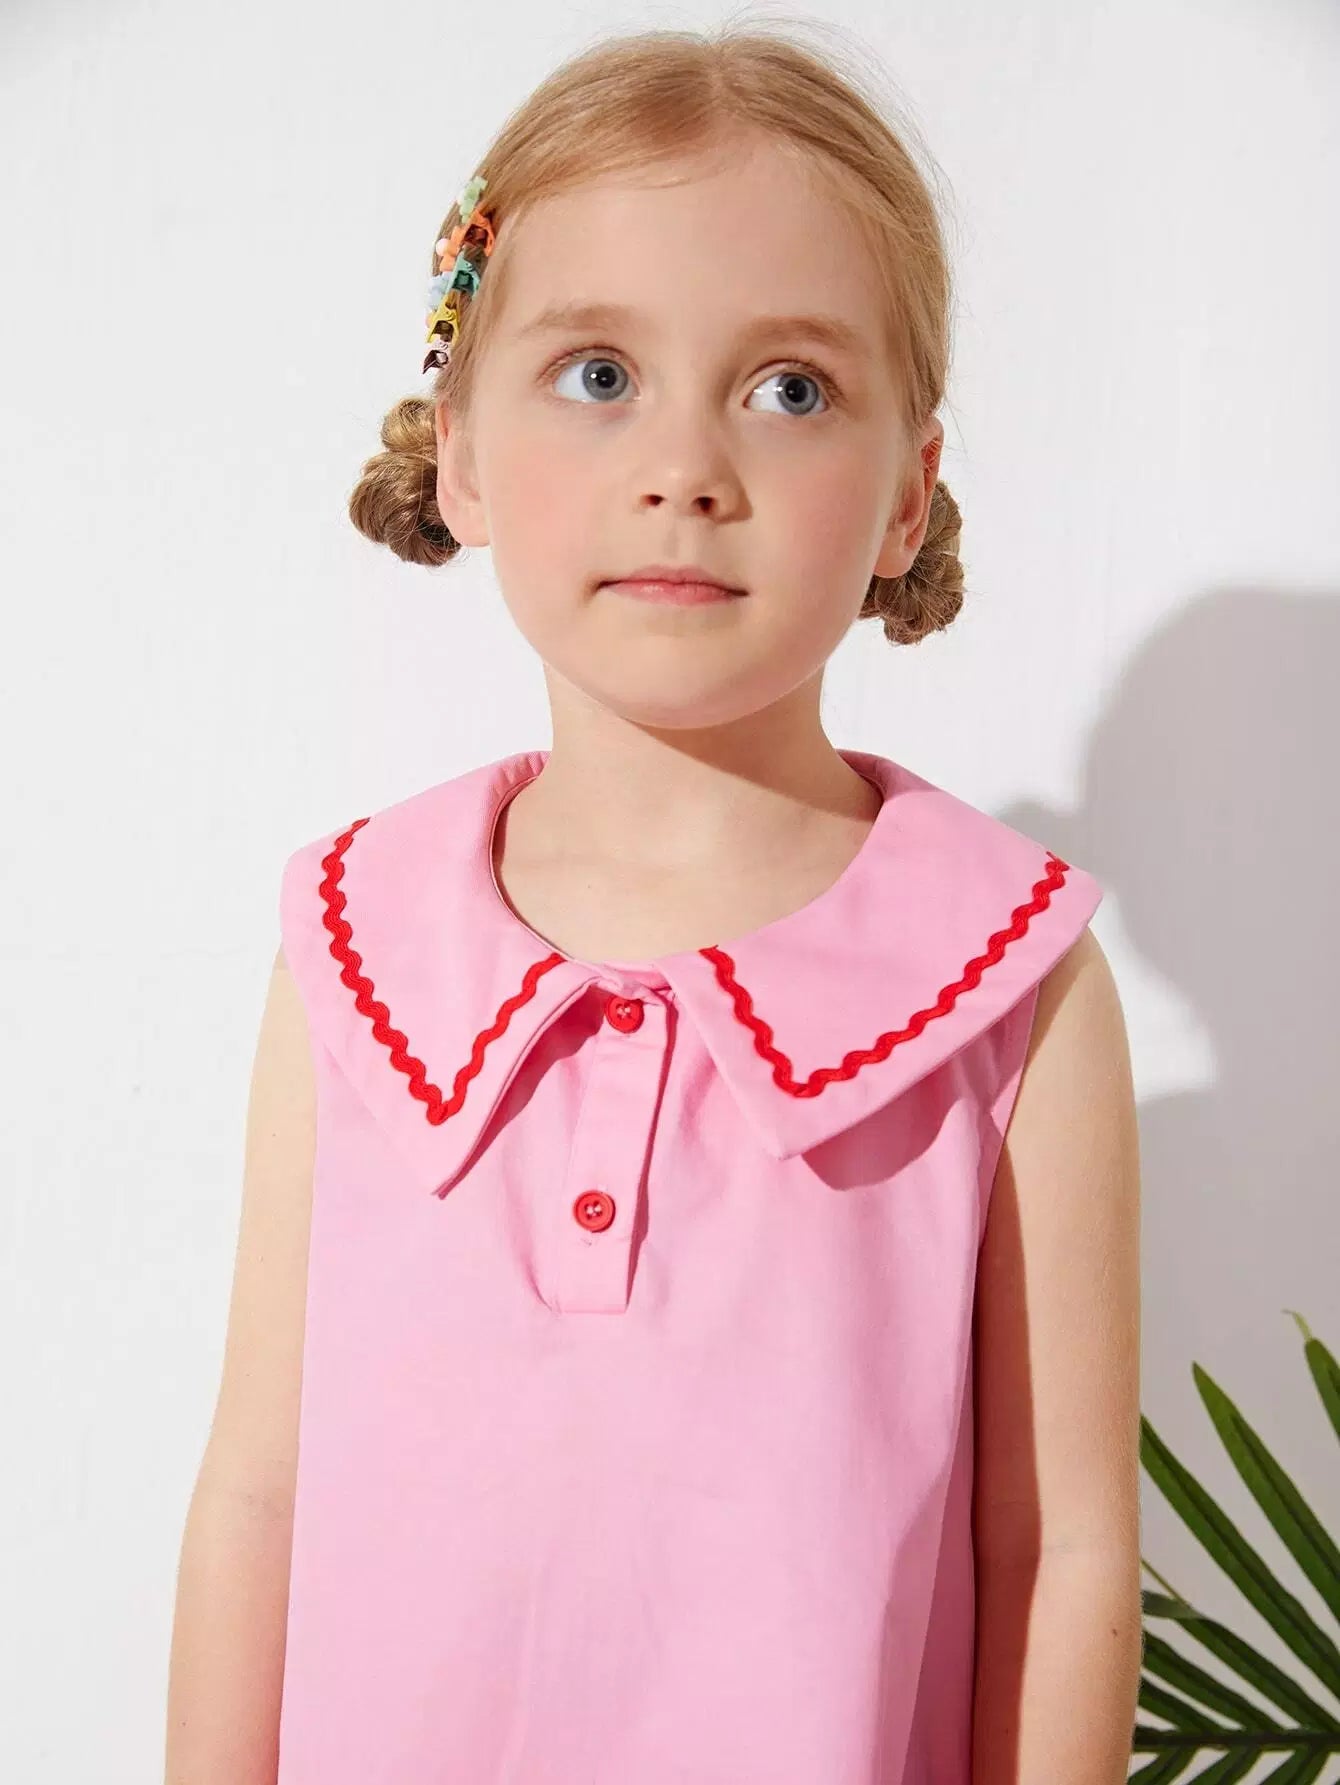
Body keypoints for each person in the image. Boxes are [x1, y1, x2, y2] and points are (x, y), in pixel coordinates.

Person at [165, 21, 1143, 1785]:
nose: (687, 463)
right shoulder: (355, 944)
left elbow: (1059, 1549)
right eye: (599, 371)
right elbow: (257, 1491)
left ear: (909, 493)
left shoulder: (1013, 987)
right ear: (460, 451)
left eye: (790, 390)